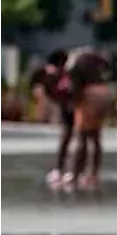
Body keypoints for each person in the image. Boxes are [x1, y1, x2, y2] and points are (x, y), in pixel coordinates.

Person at [64, 48, 114, 190]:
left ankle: (75, 174)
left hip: (88, 95)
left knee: (81, 137)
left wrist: (73, 103)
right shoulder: (93, 59)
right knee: (96, 137)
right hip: (102, 92)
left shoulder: (75, 60)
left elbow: (74, 84)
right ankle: (93, 174)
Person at [27, 49, 74, 185]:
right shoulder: (55, 72)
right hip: (70, 106)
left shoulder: (54, 73)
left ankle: (64, 170)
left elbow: (50, 92)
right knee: (72, 138)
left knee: (68, 139)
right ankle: (68, 170)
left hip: (69, 106)